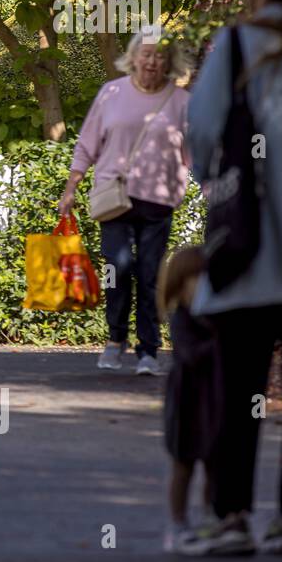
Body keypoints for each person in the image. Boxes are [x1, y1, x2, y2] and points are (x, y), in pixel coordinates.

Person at [184, 0, 282, 555]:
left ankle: (229, 516)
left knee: (237, 394)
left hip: (250, 258)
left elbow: (202, 142)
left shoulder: (236, 47)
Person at [58, 29, 193, 376]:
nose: (152, 61)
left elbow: (193, 152)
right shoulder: (112, 93)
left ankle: (148, 350)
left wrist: (212, 189)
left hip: (159, 200)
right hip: (115, 198)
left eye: (159, 56)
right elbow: (87, 144)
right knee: (117, 267)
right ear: (133, 58)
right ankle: (116, 339)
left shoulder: (180, 101)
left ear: (169, 62)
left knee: (149, 274)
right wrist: (71, 187)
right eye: (146, 54)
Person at [158, 246, 223, 554]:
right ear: (180, 283)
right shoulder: (183, 319)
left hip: (213, 399)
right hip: (186, 401)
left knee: (214, 464)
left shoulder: (215, 315)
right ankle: (178, 523)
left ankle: (211, 517)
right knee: (183, 464)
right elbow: (191, 355)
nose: (201, 285)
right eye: (194, 278)